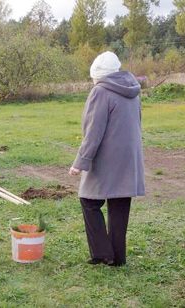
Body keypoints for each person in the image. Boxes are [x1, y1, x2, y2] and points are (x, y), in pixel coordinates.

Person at [69, 51, 145, 267]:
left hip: (107, 158)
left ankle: (103, 252)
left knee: (89, 201)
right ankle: (117, 256)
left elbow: (93, 132)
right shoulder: (133, 90)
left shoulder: (100, 91)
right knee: (119, 203)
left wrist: (79, 163)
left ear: (98, 75)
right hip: (129, 157)